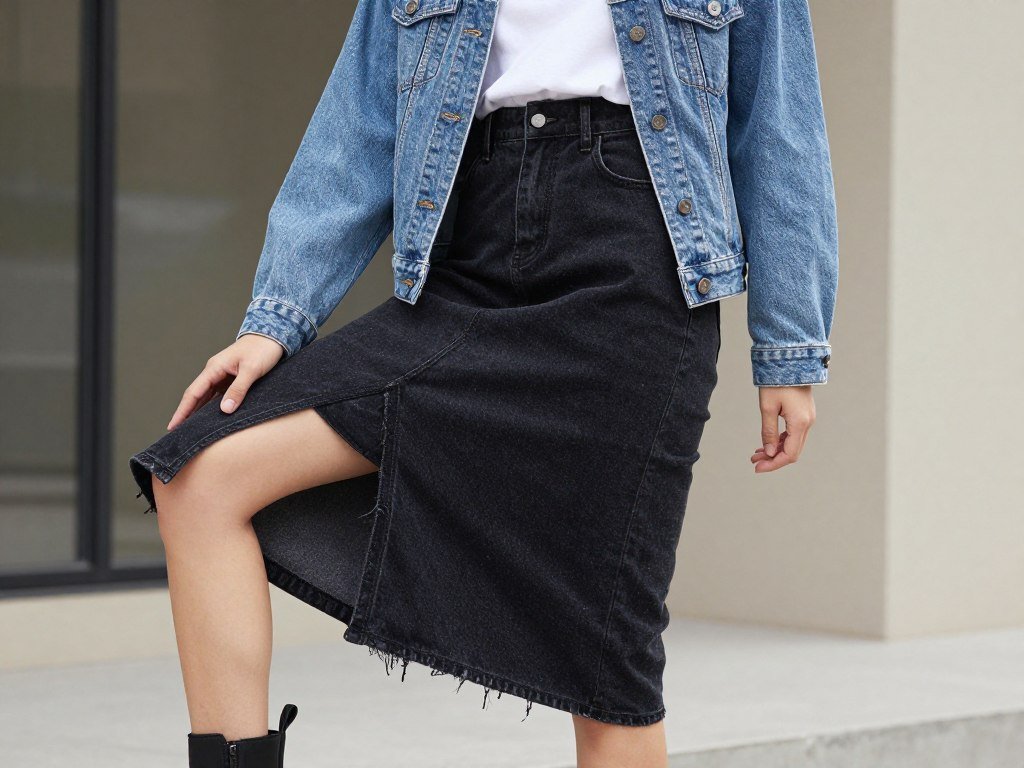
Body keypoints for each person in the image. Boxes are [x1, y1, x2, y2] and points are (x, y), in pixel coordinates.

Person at [129, 0, 838, 765]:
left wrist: (789, 349)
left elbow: (778, 129)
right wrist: (276, 320)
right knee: (199, 476)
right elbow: (360, 126)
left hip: (636, 279)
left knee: (605, 655)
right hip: (466, 256)